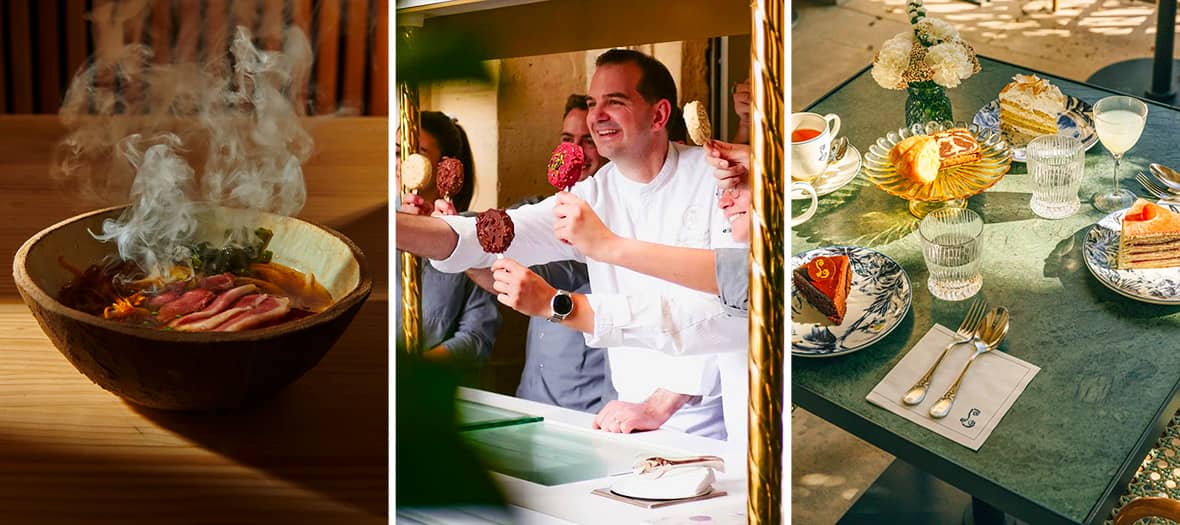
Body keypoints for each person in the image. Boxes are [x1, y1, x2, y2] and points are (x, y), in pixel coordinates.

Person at [396, 49, 744, 441]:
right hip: (625, 417)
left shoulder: (719, 180)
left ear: (659, 116)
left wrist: (658, 404)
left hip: (714, 420)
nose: (597, 116)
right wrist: (405, 227)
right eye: (594, 103)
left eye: (616, 101)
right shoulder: (591, 194)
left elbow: (728, 308)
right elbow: (497, 234)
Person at [462, 94, 615, 413]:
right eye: (567, 139)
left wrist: (462, 247)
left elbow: (541, 276)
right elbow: (495, 256)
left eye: (587, 141)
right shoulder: (534, 211)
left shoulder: (611, 228)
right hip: (532, 396)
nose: (576, 152)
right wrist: (454, 229)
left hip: (590, 408)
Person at [396, 111, 501, 384]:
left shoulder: (472, 233)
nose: (402, 163)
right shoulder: (384, 223)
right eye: (397, 152)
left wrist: (412, 373)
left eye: (414, 153)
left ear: (445, 167)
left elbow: (477, 339)